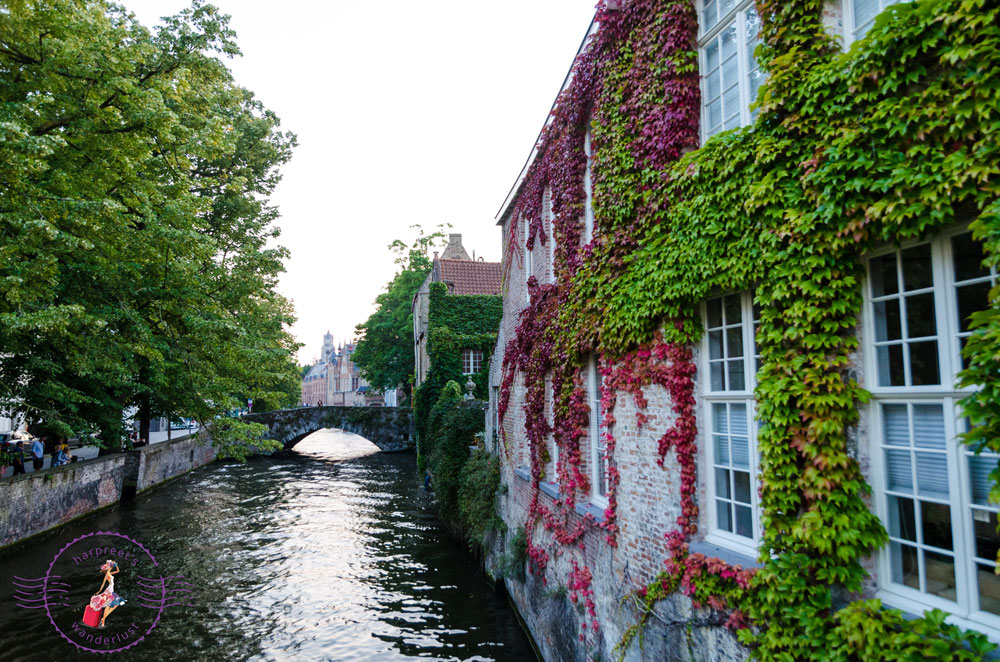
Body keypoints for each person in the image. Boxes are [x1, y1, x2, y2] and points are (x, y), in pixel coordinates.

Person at [89, 560, 126, 628]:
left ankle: (103, 619)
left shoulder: (110, 573)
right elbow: (103, 584)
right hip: (109, 591)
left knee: (116, 604)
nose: (111, 567)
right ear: (107, 568)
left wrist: (116, 565)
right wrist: (99, 591)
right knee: (114, 603)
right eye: (110, 567)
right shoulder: (107, 574)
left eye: (110, 567)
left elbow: (118, 571)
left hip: (111, 589)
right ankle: (103, 621)